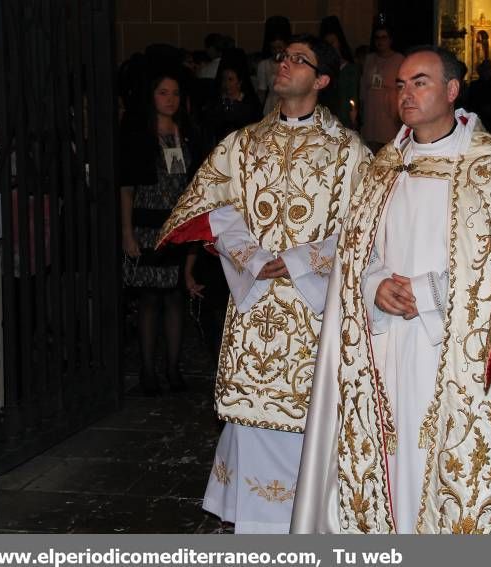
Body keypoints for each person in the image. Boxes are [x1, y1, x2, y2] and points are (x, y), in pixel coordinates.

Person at [291, 46, 491, 534]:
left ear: (451, 91)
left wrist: (427, 292)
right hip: (384, 340)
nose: (405, 94)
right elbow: (357, 251)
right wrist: (375, 283)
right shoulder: (385, 165)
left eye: (420, 82)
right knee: (389, 454)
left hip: (452, 348)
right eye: (400, 85)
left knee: (435, 459)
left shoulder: (490, 167)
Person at [157, 35, 371, 534]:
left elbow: (367, 228)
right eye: (283, 57)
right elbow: (213, 208)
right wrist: (251, 256)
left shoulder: (351, 153)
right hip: (253, 303)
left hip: (312, 309)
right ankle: (251, 524)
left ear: (321, 80)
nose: (285, 65)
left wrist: (298, 259)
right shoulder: (241, 144)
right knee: (249, 418)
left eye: (300, 60)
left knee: (309, 418)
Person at [120, 71, 202, 395]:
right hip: (146, 223)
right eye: (163, 92)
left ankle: (172, 367)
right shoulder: (140, 134)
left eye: (175, 93)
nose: (170, 99)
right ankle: (148, 370)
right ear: (151, 96)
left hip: (176, 223)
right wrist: (127, 233)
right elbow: (126, 187)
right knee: (150, 297)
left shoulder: (189, 134)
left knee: (174, 297)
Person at [360, 23, 404, 152]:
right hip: (371, 110)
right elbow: (363, 84)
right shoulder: (369, 59)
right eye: (377, 38)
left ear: (390, 40)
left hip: (389, 111)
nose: (380, 41)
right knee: (370, 148)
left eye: (384, 37)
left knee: (388, 148)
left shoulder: (399, 59)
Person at [320, 15, 360, 129]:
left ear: (339, 42)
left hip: (345, 120)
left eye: (333, 43)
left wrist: (354, 116)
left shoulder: (350, 69)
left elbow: (353, 96)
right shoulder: (322, 70)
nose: (331, 47)